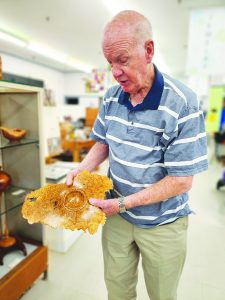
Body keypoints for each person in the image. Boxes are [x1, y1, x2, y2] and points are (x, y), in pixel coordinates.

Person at [66, 10, 208, 300]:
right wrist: (82, 168)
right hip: (117, 219)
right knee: (117, 291)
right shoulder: (110, 97)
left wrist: (123, 203)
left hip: (163, 223)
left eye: (122, 60)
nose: (115, 72)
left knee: (162, 295)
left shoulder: (183, 103)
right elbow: (102, 142)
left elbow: (182, 180)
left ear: (149, 50)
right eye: (110, 63)